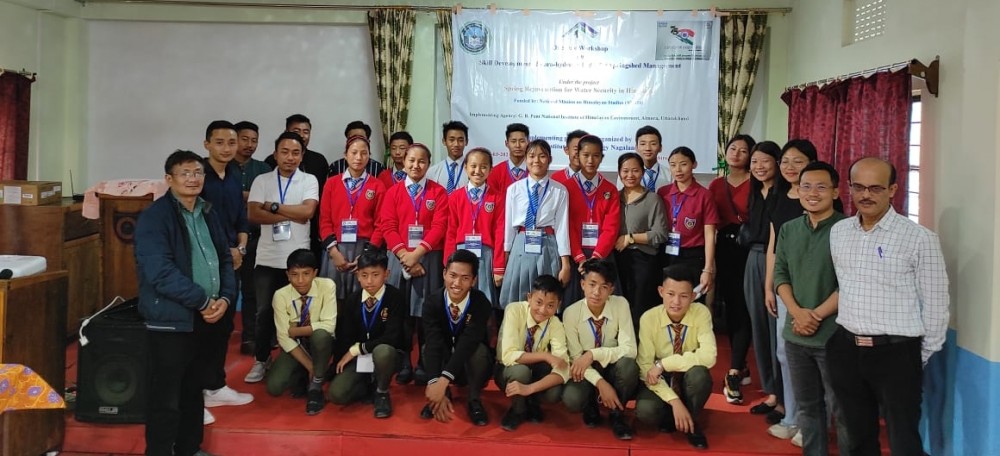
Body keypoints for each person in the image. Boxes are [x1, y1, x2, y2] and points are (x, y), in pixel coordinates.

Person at [828, 157, 949, 456]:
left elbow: (936, 303)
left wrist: (915, 356)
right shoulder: (839, 232)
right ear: (849, 188)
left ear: (893, 189)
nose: (866, 195)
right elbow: (846, 286)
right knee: (857, 437)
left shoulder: (920, 239)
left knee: (903, 439)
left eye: (875, 188)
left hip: (897, 353)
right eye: (858, 187)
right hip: (847, 348)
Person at [135, 149, 236, 456]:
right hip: (170, 322)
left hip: (205, 319)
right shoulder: (155, 217)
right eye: (185, 173)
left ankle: (190, 448)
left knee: (193, 390)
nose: (193, 179)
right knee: (166, 397)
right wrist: (203, 300)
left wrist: (226, 299)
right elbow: (159, 272)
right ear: (169, 179)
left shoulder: (208, 211)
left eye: (198, 173)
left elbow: (224, 260)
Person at [773, 161, 849, 455]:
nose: (812, 193)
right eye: (806, 186)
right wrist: (796, 311)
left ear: (835, 191)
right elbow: (780, 273)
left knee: (841, 407)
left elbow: (850, 282)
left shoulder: (847, 230)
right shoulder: (789, 229)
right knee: (808, 409)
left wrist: (815, 315)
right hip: (796, 335)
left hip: (833, 336)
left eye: (821, 187)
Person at [244, 132, 320, 384]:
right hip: (267, 258)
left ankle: (304, 362)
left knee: (302, 313)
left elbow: (308, 211)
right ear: (275, 154)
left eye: (295, 152)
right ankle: (261, 359)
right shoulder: (262, 180)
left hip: (298, 259)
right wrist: (291, 214)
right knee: (264, 312)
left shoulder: (309, 180)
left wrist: (273, 207)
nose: (290, 157)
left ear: (302, 155)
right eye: (284, 152)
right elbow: (254, 214)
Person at [764, 139, 821, 441]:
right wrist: (768, 287)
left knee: (813, 355)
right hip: (784, 288)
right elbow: (773, 247)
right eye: (785, 161)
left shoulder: (819, 198)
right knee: (785, 353)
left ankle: (812, 423)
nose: (789, 167)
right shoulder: (778, 196)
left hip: (813, 290)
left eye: (797, 161)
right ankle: (792, 417)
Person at [379, 143, 450, 385]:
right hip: (399, 257)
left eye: (421, 161)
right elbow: (387, 226)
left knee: (426, 314)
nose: (415, 165)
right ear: (404, 161)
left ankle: (424, 364)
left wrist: (416, 255)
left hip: (428, 258)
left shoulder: (438, 193)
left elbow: (440, 227)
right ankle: (403, 363)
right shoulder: (393, 192)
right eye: (411, 160)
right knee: (401, 315)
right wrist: (404, 257)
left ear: (428, 164)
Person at [198, 121, 253, 424]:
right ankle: (195, 394)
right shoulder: (198, 176)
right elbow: (200, 221)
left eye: (231, 143)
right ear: (207, 144)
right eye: (219, 142)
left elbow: (238, 217)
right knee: (203, 325)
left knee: (223, 325)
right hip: (208, 259)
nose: (227, 148)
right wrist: (227, 250)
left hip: (233, 257)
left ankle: (215, 386)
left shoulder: (233, 175)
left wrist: (242, 244)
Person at [635, 265, 716, 450]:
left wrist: (664, 363)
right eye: (670, 294)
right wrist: (674, 401)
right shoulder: (649, 318)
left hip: (686, 375)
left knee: (700, 376)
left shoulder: (701, 313)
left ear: (694, 296)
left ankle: (692, 421)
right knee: (646, 412)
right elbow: (646, 366)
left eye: (684, 296)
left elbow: (709, 356)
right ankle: (672, 411)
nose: (676, 302)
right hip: (660, 379)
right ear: (661, 292)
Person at [561, 259, 638, 440]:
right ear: (582, 284)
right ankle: (590, 405)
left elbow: (630, 350)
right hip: (585, 370)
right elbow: (576, 358)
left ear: (611, 289)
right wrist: (600, 383)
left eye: (604, 287)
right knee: (572, 398)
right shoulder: (570, 313)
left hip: (611, 365)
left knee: (629, 367)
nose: (596, 292)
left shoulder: (621, 305)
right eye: (592, 284)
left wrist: (593, 354)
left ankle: (617, 413)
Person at [328, 247, 405, 418]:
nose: (369, 281)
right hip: (360, 359)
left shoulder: (395, 298)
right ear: (357, 276)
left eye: (375, 274)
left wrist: (358, 349)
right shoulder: (353, 300)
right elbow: (345, 337)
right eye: (364, 275)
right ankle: (366, 383)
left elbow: (393, 337)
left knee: (383, 351)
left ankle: (382, 391)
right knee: (337, 394)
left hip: (387, 354)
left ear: (387, 274)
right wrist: (338, 364)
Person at [420, 250, 494, 425]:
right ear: (444, 273)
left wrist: (444, 380)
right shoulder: (432, 302)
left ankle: (474, 399)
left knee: (480, 352)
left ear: (474, 280)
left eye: (465, 278)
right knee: (426, 349)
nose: (457, 283)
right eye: (452, 275)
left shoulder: (481, 302)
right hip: (444, 359)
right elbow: (433, 342)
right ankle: (441, 397)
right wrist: (434, 384)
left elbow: (469, 342)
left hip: (469, 363)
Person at [708, 134, 755, 404]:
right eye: (732, 148)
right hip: (724, 249)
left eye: (743, 150)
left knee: (744, 307)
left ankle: (736, 367)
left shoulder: (757, 183)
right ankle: (742, 364)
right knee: (731, 305)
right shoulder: (716, 185)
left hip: (750, 249)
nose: (736, 153)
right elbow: (711, 224)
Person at [741, 141, 786, 424]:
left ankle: (783, 395)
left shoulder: (785, 194)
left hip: (776, 261)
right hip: (753, 259)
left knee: (776, 330)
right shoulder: (756, 191)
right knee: (758, 326)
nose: (758, 166)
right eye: (754, 161)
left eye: (764, 161)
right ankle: (771, 391)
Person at [498, 139, 572, 307]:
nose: (536, 161)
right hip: (521, 243)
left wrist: (565, 263)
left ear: (550, 159)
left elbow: (562, 228)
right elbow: (509, 226)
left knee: (546, 299)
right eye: (531, 156)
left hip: (547, 245)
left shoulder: (559, 190)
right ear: (525, 158)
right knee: (519, 301)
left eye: (542, 156)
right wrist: (506, 257)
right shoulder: (514, 189)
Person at [264, 249, 336, 416]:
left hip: (320, 343)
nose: (301, 280)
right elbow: (284, 337)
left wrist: (295, 330)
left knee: (321, 335)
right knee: (275, 387)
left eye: (306, 273)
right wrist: (310, 366)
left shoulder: (327, 286)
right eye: (294, 274)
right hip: (296, 346)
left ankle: (316, 386)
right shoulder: (280, 295)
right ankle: (310, 370)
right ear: (287, 275)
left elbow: (329, 326)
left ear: (315, 273)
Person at [495, 275, 570, 431]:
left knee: (554, 392)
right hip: (507, 369)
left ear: (558, 305)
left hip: (536, 371)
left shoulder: (555, 323)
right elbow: (508, 356)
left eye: (550, 305)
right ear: (529, 297)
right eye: (538, 302)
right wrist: (546, 355)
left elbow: (563, 368)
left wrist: (530, 388)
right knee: (520, 371)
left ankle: (532, 401)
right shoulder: (514, 310)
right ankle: (518, 410)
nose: (543, 310)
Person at [318, 135, 386, 303]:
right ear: (345, 154)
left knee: (360, 299)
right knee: (333, 300)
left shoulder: (377, 186)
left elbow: (380, 224)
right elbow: (324, 220)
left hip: (364, 249)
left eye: (364, 153)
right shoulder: (332, 183)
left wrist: (365, 255)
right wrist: (334, 253)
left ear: (369, 156)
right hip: (335, 249)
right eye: (354, 152)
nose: (358, 157)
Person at [563, 135, 620, 310]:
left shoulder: (610, 189)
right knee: (572, 306)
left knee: (604, 305)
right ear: (577, 155)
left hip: (602, 255)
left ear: (602, 157)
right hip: (575, 257)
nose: (590, 160)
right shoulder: (565, 187)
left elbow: (611, 227)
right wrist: (580, 258)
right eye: (586, 155)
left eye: (596, 156)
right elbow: (567, 226)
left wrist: (596, 257)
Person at [614, 152, 668, 332]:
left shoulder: (653, 199)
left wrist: (630, 238)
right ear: (619, 172)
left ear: (643, 172)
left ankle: (639, 353)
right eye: (625, 171)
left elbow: (660, 234)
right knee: (618, 307)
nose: (630, 175)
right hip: (617, 259)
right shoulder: (614, 197)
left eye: (635, 170)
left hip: (643, 260)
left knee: (639, 309)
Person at [444, 147, 505, 307]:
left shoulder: (497, 197)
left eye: (484, 166)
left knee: (484, 301)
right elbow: (451, 231)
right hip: (460, 254)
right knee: (460, 297)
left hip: (486, 255)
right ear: (465, 168)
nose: (478, 170)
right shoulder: (455, 197)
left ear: (491, 169)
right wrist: (448, 262)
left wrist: (498, 266)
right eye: (473, 166)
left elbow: (500, 233)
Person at [263, 114, 330, 259]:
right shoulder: (271, 161)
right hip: (276, 227)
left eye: (306, 131)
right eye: (296, 131)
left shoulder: (319, 160)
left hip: (311, 225)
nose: (302, 135)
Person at [656, 146, 718, 298]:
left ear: (694, 164)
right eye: (673, 164)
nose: (678, 169)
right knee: (669, 300)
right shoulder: (663, 192)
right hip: (667, 253)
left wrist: (708, 269)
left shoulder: (704, 195)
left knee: (692, 300)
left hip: (693, 257)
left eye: (683, 164)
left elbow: (710, 234)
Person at [233, 120, 273, 356]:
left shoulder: (264, 170)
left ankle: (249, 338)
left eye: (254, 140)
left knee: (251, 291)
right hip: (227, 239)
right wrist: (252, 197)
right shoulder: (222, 168)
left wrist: (245, 196)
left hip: (257, 238)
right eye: (244, 139)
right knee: (223, 290)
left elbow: (269, 203)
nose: (250, 144)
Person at [616, 125, 671, 191]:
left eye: (653, 144)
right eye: (643, 144)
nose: (648, 148)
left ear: (660, 148)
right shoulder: (627, 175)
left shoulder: (669, 175)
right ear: (636, 147)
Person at [486, 123, 531, 197]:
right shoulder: (495, 172)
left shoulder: (534, 170)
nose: (517, 145)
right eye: (513, 141)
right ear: (506, 143)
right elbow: (492, 201)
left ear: (528, 143)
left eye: (522, 141)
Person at [426, 121, 469, 194]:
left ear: (466, 142)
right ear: (444, 141)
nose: (456, 144)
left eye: (461, 140)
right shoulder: (433, 172)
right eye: (451, 140)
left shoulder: (473, 172)